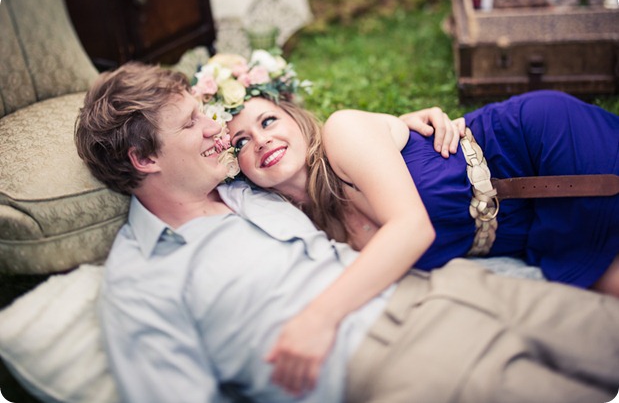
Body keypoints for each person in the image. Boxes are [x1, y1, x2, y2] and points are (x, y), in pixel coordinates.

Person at [76, 61, 619, 403]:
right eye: (196, 123)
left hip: (453, 284)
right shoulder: (141, 281)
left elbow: (378, 181)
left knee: (604, 332)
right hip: (390, 353)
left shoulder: (248, 193)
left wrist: (394, 127)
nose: (219, 130)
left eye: (208, 114)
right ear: (144, 158)